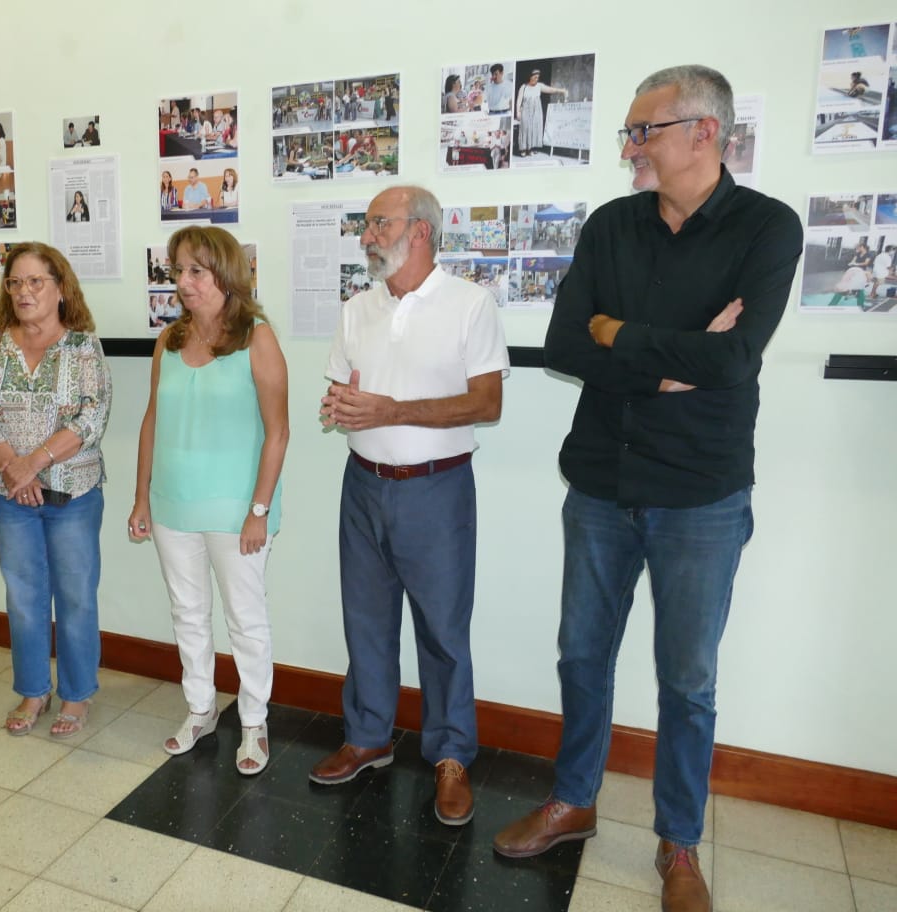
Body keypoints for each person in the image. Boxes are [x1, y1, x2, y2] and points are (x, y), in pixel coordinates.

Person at [491, 66, 803, 912]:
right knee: (581, 655)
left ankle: (680, 843)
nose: (630, 145)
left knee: (688, 680)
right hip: (601, 481)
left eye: (643, 130)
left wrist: (620, 333)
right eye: (630, 131)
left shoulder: (767, 228)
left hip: (701, 496)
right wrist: (665, 363)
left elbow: (732, 359)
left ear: (704, 132)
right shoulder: (611, 225)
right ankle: (573, 801)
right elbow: (565, 344)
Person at [313, 186, 508, 828]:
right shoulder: (357, 309)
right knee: (365, 621)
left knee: (443, 631)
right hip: (363, 485)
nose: (367, 236)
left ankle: (450, 756)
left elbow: (487, 404)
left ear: (420, 231)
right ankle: (368, 736)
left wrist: (392, 410)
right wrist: (341, 408)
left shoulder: (470, 304)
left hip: (436, 489)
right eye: (367, 224)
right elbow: (342, 394)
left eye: (379, 223)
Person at [128, 226, 289, 776]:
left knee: (245, 618)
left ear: (225, 274)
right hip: (172, 505)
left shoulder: (257, 338)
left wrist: (259, 510)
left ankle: (254, 720)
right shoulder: (169, 340)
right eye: (178, 270)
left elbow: (278, 432)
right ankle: (200, 709)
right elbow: (153, 419)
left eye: (196, 271)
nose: (183, 282)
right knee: (188, 613)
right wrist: (142, 497)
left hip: (236, 510)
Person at [0, 242, 112, 739]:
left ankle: (76, 694)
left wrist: (33, 464)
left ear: (60, 288)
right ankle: (33, 690)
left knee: (75, 597)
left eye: (35, 281)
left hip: (73, 495)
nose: (24, 291)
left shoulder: (83, 347)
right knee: (24, 597)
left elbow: (91, 418)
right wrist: (14, 471)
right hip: (11, 497)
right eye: (15, 282)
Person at [515, 69, 568, 156]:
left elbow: (551, 89)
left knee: (534, 129)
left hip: (536, 111)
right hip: (525, 111)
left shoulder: (539, 86)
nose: (536, 79)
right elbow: (519, 100)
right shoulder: (523, 87)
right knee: (525, 129)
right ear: (530, 77)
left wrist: (562, 90)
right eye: (535, 77)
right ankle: (523, 149)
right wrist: (517, 111)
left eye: (537, 78)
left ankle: (530, 149)